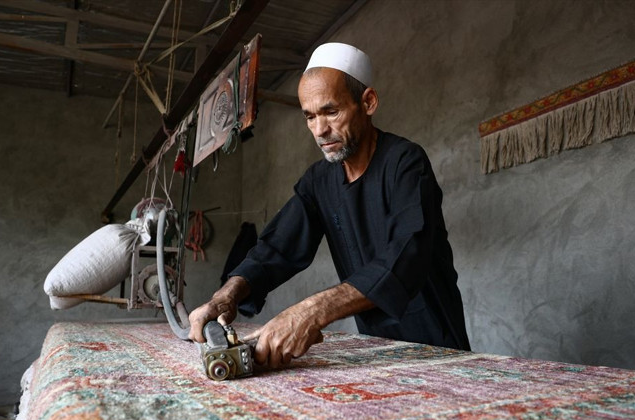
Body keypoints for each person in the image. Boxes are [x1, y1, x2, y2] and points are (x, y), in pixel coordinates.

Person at [189, 42, 470, 367]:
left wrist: (311, 311)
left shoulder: (406, 163)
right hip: (376, 345)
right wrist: (227, 295)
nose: (320, 130)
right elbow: (276, 249)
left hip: (435, 340)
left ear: (368, 102)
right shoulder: (319, 181)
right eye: (310, 117)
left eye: (331, 112)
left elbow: (405, 258)